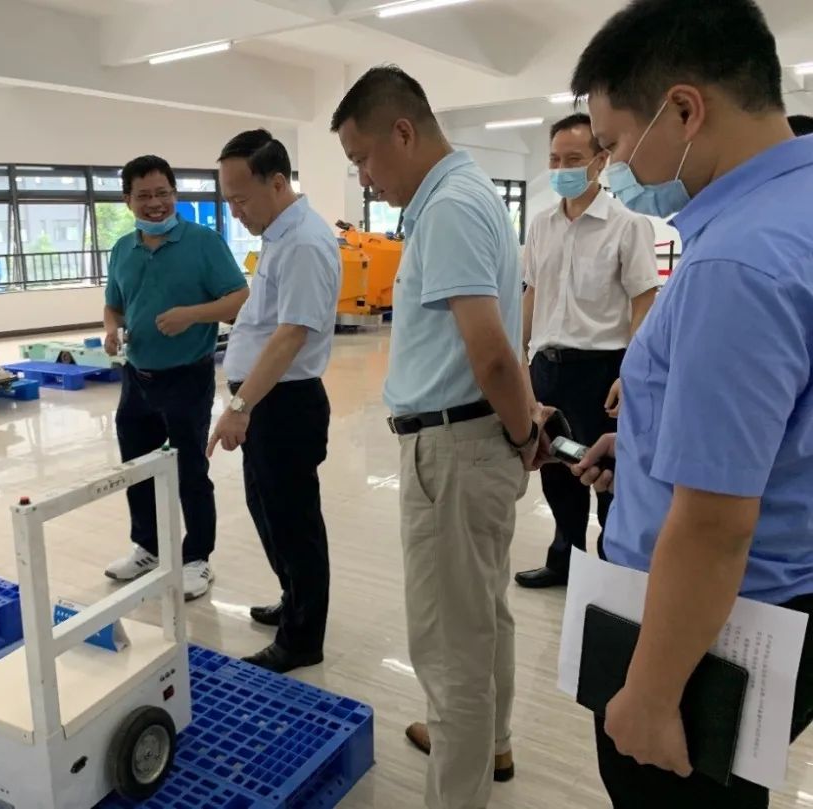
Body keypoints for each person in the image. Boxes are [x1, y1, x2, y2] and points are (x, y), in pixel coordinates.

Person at [566, 1, 813, 806]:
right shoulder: (794, 210)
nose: (611, 168)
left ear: (683, 110)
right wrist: (644, 445)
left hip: (710, 631)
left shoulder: (736, 263)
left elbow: (714, 523)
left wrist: (651, 692)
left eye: (612, 143)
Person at [333, 66, 542, 809]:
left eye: (363, 158)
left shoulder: (448, 208)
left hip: (453, 449)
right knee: (483, 613)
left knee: (451, 647)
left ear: (403, 132)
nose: (364, 177)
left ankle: (460, 785)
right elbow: (501, 335)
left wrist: (523, 430)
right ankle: (489, 740)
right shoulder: (470, 194)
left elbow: (492, 352)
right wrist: (519, 428)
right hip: (473, 439)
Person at [208, 129, 339, 674]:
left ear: (278, 182)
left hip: (284, 404)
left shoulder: (304, 242)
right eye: (229, 200)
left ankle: (302, 639)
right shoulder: (280, 235)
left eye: (241, 198)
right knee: (269, 512)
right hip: (267, 400)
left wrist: (239, 408)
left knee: (293, 522)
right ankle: (294, 598)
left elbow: (290, 336)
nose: (235, 212)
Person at [513, 113, 658, 590]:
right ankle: (565, 559)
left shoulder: (627, 225)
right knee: (555, 469)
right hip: (548, 368)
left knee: (606, 473)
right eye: (554, 159)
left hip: (602, 371)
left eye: (573, 159)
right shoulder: (542, 225)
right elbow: (532, 292)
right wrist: (520, 357)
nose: (561, 169)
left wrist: (630, 371)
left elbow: (644, 299)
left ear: (601, 161)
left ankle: (612, 571)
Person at [103, 155, 248, 601]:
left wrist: (192, 315)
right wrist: (110, 329)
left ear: (175, 194)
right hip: (137, 376)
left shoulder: (204, 242)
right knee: (137, 468)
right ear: (127, 200)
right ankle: (148, 547)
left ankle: (197, 557)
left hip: (187, 375)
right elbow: (114, 305)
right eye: (144, 196)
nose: (155, 204)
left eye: (163, 193)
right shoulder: (122, 249)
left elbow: (240, 298)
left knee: (189, 471)